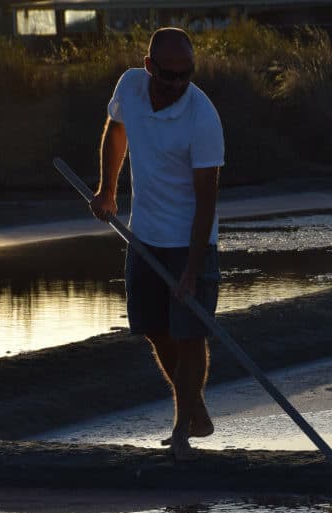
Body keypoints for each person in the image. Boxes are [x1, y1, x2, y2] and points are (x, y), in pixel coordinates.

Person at [89, 28, 225, 461]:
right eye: (168, 75)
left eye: (186, 74)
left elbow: (207, 200)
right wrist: (107, 188)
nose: (177, 84)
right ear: (150, 67)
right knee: (154, 327)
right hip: (144, 233)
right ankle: (197, 410)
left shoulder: (202, 118)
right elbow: (116, 128)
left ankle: (183, 429)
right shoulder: (130, 85)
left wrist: (192, 268)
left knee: (190, 335)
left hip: (190, 241)